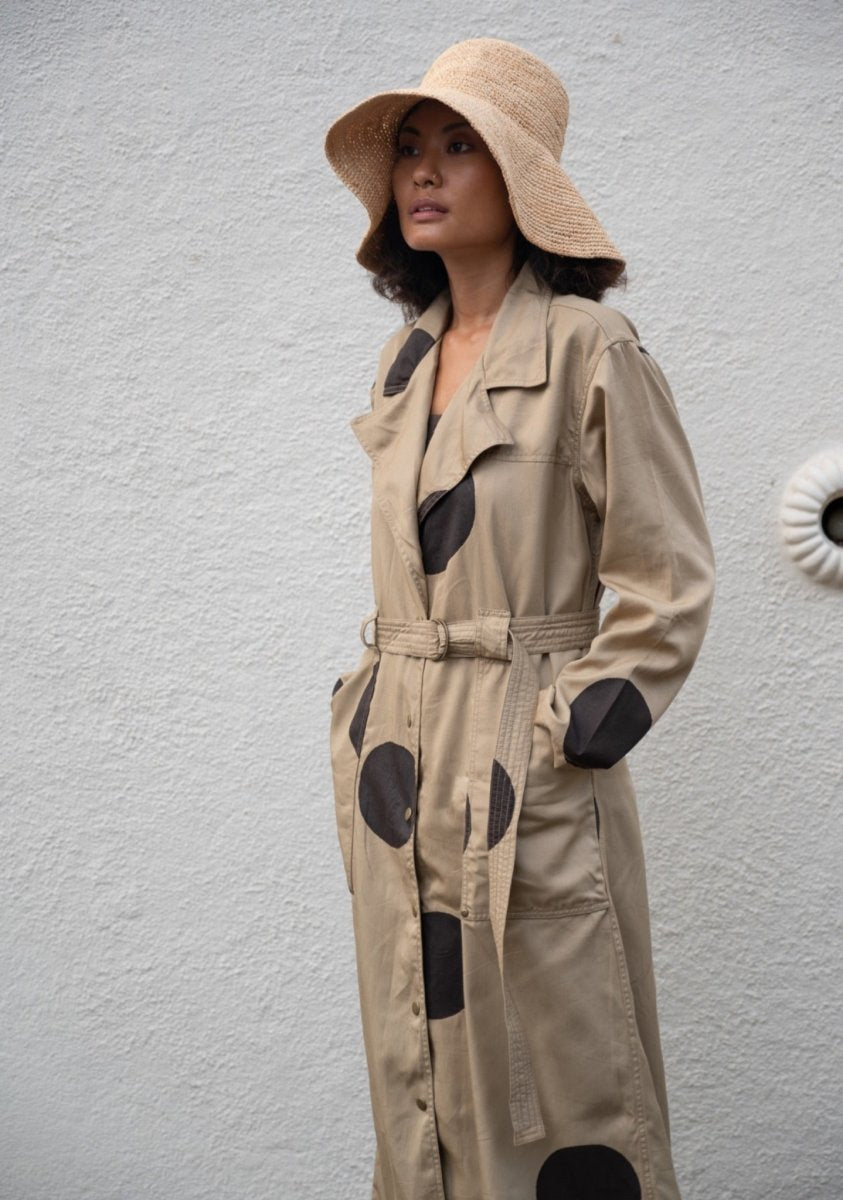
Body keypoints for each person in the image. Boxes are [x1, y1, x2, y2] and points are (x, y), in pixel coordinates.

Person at [324, 37, 715, 1200]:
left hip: (518, 754)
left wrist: (566, 733)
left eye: (459, 145)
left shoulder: (591, 348)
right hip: (401, 758)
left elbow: (667, 576)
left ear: (520, 178)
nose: (422, 171)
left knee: (562, 1075)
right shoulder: (405, 361)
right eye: (410, 148)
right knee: (421, 1062)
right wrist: (365, 715)